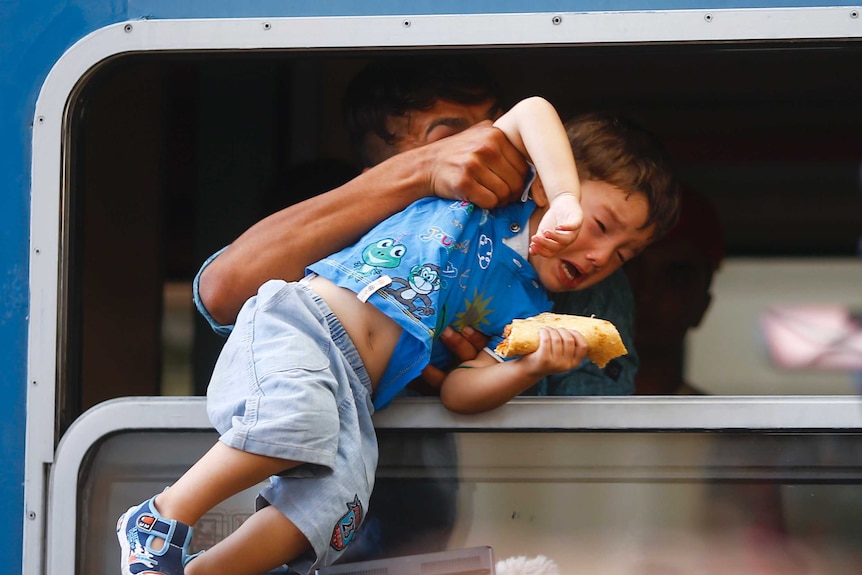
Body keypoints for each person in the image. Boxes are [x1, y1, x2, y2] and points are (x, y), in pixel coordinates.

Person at [116, 96, 679, 575]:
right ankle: (160, 518)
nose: (602, 254)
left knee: (337, 509)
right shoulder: (488, 191)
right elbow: (532, 110)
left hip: (358, 393)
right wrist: (565, 199)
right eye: (602, 227)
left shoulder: (529, 308)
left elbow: (462, 391)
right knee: (295, 421)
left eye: (623, 253)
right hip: (306, 324)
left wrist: (527, 368)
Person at [195, 57, 640, 397]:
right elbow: (222, 293)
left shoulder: (580, 257)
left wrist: (498, 377)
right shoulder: (364, 218)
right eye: (450, 135)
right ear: (376, 165)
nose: (488, 144)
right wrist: (423, 171)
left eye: (495, 124)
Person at [623, 187, 724, 395]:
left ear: (703, 305)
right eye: (628, 269)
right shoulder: (550, 421)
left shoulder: (723, 425)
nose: (647, 292)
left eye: (675, 277)